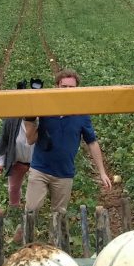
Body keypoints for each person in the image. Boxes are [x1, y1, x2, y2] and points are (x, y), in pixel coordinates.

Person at [23, 68, 112, 218]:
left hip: (64, 174)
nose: (67, 90)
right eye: (64, 87)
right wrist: (30, 119)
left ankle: (54, 241)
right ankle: (25, 235)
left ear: (77, 89)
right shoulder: (45, 107)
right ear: (57, 86)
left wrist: (102, 172)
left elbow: (92, 143)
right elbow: (30, 139)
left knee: (59, 216)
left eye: (71, 87)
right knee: (31, 210)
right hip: (40, 169)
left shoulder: (81, 114)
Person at [0, 79, 42, 241]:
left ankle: (31, 212)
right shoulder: (12, 120)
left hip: (36, 163)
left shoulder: (41, 120)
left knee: (34, 189)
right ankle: (15, 209)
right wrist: (0, 162)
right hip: (18, 161)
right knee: (13, 188)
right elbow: (4, 141)